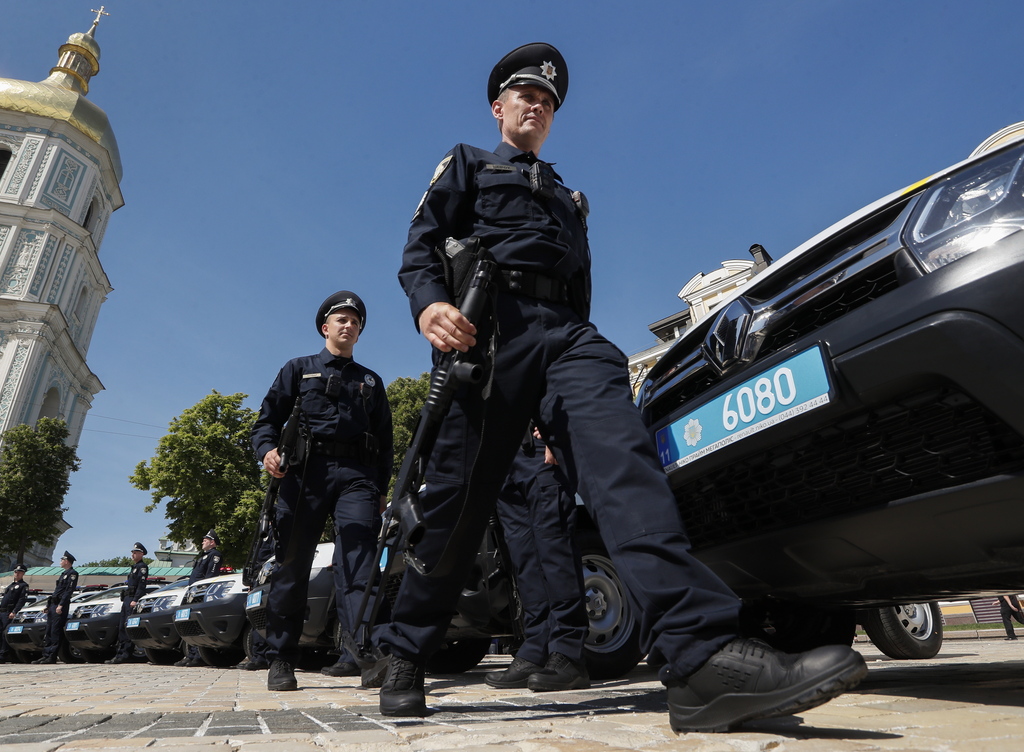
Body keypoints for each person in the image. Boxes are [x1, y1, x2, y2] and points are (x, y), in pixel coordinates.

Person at [377, 42, 867, 730]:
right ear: (498, 107)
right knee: (457, 506)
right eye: (525, 96)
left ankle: (700, 657)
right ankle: (404, 649)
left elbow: (578, 285)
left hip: (568, 337)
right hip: (488, 337)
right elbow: (420, 246)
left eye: (547, 102)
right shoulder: (467, 164)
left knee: (624, 466)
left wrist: (557, 411)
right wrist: (430, 304)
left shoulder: (568, 198)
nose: (537, 106)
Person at [250, 291, 394, 692]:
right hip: (304, 475)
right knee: (292, 565)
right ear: (325, 328)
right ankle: (281, 658)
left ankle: (371, 653)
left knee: (360, 563)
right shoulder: (298, 369)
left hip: (357, 477)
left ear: (359, 333)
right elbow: (265, 422)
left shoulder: (371, 381)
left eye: (355, 321)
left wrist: (381, 490)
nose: (349, 325)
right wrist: (268, 451)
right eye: (341, 320)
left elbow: (385, 441)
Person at [485, 430, 589, 691]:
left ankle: (569, 653)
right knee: (525, 558)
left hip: (538, 447)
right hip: (501, 454)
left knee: (555, 550)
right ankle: (536, 650)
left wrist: (555, 432)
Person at [175, 531, 223, 667]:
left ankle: (199, 656)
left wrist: (202, 592)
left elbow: (210, 576)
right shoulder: (203, 556)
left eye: (205, 540)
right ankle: (191, 654)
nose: (203, 542)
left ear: (212, 542)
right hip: (193, 593)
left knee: (198, 625)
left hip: (200, 594)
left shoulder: (215, 555)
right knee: (190, 625)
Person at [108, 542, 150, 664]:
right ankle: (120, 653)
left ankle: (125, 654)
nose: (133, 554)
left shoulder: (142, 567)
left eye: (135, 552)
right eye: (132, 552)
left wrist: (135, 600)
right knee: (122, 627)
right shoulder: (134, 567)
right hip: (127, 599)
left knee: (127, 627)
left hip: (132, 599)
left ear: (141, 554)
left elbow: (141, 586)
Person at [33, 551, 78, 664]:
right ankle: (46, 655)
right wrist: (48, 605)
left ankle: (52, 656)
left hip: (60, 606)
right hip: (53, 605)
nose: (60, 561)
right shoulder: (63, 574)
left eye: (62, 560)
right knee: (49, 631)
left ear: (67, 561)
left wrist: (61, 605)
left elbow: (68, 591)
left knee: (55, 631)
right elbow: (56, 592)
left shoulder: (72, 574)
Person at [0, 565, 30, 664]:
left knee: (4, 635)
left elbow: (21, 600)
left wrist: (14, 611)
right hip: (2, 613)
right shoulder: (10, 586)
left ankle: (2, 656)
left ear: (23, 574)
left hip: (9, 613)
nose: (17, 574)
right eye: (16, 572)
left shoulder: (23, 586)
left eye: (19, 572)